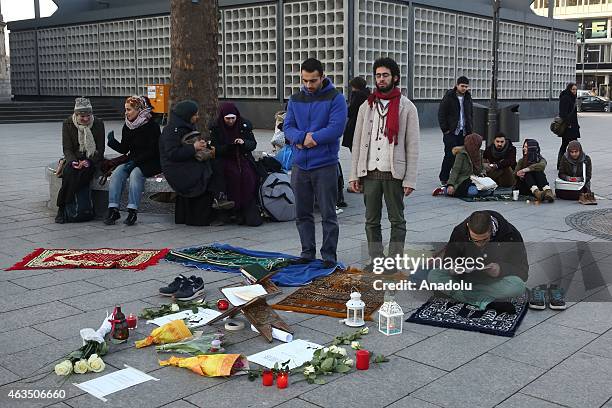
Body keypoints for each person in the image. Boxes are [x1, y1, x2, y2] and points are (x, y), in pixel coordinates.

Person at [348, 58, 419, 273]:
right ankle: (376, 259)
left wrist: (410, 179)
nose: (381, 79)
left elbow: (412, 146)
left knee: (397, 220)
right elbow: (358, 141)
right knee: (371, 221)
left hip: (394, 172)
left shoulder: (407, 107)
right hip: (370, 171)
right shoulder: (366, 106)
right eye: (378, 75)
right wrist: (354, 175)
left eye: (385, 75)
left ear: (395, 78)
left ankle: (394, 261)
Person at [284, 58, 347, 267]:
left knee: (329, 214)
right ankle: (307, 252)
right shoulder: (295, 99)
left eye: (313, 81)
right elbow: (288, 127)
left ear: (322, 77)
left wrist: (312, 139)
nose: (308, 85)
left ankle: (329, 256)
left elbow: (336, 128)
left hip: (325, 165)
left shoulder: (336, 98)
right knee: (302, 214)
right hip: (300, 165)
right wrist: (302, 138)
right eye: (305, 80)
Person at [427, 210, 528, 313]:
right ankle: (486, 301)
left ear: (492, 229)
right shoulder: (459, 232)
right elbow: (448, 262)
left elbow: (523, 272)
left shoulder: (510, 235)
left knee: (518, 286)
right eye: (474, 240)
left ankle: (460, 294)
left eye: (484, 239)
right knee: (434, 275)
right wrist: (453, 268)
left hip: (493, 282)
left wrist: (500, 269)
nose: (480, 244)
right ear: (468, 227)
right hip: (465, 279)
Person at [159, 100, 232, 226]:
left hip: (185, 162)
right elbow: (172, 154)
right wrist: (194, 147)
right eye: (195, 115)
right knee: (206, 173)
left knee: (215, 165)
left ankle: (218, 200)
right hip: (175, 167)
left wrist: (201, 146)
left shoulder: (185, 126)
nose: (197, 117)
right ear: (187, 115)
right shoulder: (171, 130)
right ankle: (208, 210)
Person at [104, 96, 161, 226]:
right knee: (117, 173)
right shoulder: (128, 125)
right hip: (133, 159)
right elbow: (125, 148)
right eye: (125, 109)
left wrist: (136, 162)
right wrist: (113, 143)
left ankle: (132, 211)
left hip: (151, 161)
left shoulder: (152, 126)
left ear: (139, 110)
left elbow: (154, 150)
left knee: (136, 174)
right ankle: (113, 210)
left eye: (129, 110)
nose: (126, 112)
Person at [209, 102, 262, 226]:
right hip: (224, 159)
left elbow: (252, 144)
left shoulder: (244, 126)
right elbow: (215, 148)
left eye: (233, 118)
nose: (231, 121)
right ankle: (232, 210)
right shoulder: (216, 128)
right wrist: (228, 147)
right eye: (228, 119)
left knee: (247, 176)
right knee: (232, 176)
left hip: (242, 157)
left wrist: (243, 142)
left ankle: (245, 209)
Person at [55, 97, 105, 224]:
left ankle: (63, 205)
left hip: (92, 158)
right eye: (82, 116)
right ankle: (61, 209)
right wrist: (73, 161)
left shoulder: (99, 123)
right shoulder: (67, 124)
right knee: (69, 172)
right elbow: (67, 148)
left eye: (89, 115)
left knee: (84, 173)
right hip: (74, 159)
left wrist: (88, 161)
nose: (86, 119)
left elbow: (100, 149)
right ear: (76, 114)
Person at [438, 76, 473, 186]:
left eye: (466, 87)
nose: (464, 88)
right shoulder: (449, 97)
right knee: (449, 155)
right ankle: (444, 177)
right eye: (462, 86)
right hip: (451, 132)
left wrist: (470, 129)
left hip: (464, 132)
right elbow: (441, 113)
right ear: (457, 85)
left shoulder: (468, 97)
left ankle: (458, 177)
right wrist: (445, 130)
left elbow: (471, 113)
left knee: (462, 155)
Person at [432, 133, 488, 198]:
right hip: (464, 180)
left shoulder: (479, 153)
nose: (478, 147)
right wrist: (451, 184)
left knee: (487, 190)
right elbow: (455, 170)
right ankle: (445, 190)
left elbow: (482, 167)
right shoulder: (462, 154)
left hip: (476, 179)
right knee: (472, 193)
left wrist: (483, 174)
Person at [343, 77, 370, 195]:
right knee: (362, 156)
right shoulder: (368, 94)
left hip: (355, 128)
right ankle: (363, 183)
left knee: (357, 156)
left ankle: (360, 184)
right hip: (365, 127)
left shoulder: (357, 95)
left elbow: (351, 111)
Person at [557, 140, 596, 204]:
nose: (574, 154)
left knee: (583, 192)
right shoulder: (565, 158)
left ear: (580, 151)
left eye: (576, 152)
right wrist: (569, 178)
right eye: (571, 152)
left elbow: (588, 176)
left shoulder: (586, 159)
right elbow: (561, 173)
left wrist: (578, 179)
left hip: (580, 183)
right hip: (568, 183)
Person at [558, 82, 580, 169]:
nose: (574, 91)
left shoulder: (572, 98)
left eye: (575, 89)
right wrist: (568, 124)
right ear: (569, 89)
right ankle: (571, 163)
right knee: (572, 145)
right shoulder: (565, 98)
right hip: (568, 127)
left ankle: (561, 163)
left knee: (565, 145)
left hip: (573, 126)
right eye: (573, 89)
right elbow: (563, 113)